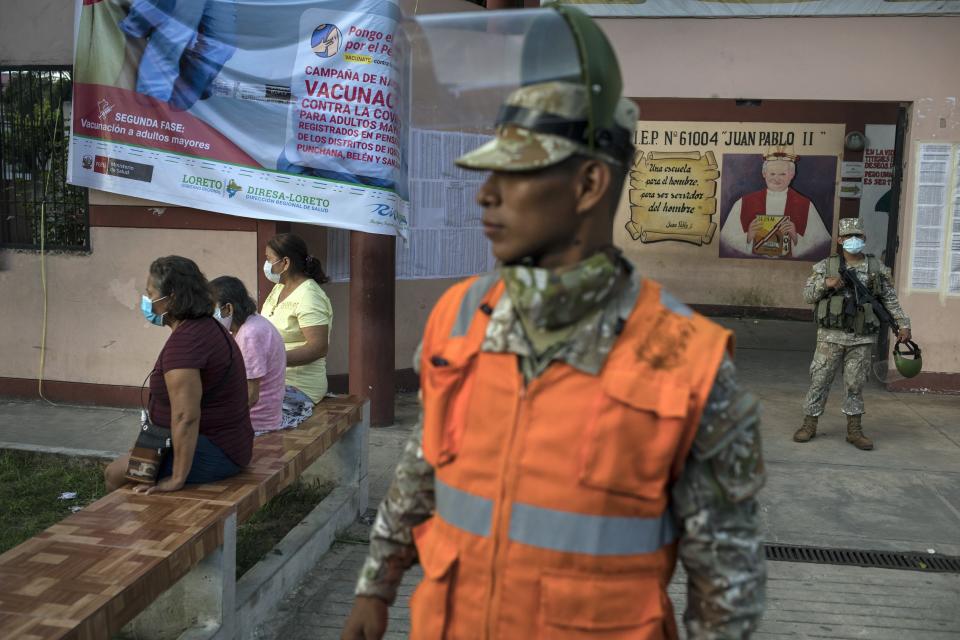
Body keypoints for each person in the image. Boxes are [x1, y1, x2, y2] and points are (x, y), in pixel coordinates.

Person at [342, 7, 765, 639]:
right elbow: (424, 463)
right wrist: (376, 586)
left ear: (590, 182)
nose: (486, 194)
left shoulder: (689, 362)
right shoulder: (460, 316)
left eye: (515, 173)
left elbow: (726, 589)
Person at [104, 256, 252, 493]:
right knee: (129, 463)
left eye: (151, 295)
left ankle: (134, 527)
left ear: (171, 299)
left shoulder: (187, 343)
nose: (147, 302)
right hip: (222, 443)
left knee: (116, 473)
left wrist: (177, 478)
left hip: (216, 450)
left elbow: (186, 416)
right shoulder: (204, 327)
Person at [795, 217, 911, 450]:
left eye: (858, 236)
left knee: (855, 385)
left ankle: (854, 431)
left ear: (864, 239)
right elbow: (807, 295)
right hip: (830, 337)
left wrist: (903, 324)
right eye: (848, 237)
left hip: (861, 338)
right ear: (840, 240)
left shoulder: (876, 268)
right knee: (819, 381)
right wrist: (825, 284)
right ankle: (809, 424)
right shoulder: (825, 266)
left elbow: (889, 299)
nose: (853, 240)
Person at [720, 147, 832, 259]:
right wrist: (748, 236)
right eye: (772, 174)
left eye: (782, 174)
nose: (776, 179)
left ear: (791, 175)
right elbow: (725, 243)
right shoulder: (743, 203)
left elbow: (822, 246)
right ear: (764, 174)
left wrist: (795, 236)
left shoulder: (805, 205)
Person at [261, 233, 332, 404]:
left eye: (269, 259)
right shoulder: (279, 288)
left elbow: (318, 348)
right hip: (273, 381)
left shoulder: (309, 295)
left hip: (300, 387)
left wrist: (271, 360)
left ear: (285, 263)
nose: (267, 265)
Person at [210, 276, 287, 434]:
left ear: (228, 309)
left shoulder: (249, 334)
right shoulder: (249, 323)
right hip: (259, 414)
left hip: (257, 421)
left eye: (211, 308)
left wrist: (224, 420)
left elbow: (251, 395)